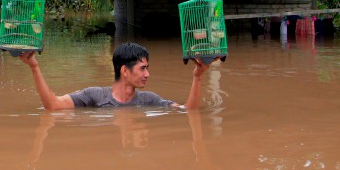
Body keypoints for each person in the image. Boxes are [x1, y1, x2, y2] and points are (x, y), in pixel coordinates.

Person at [17, 41, 209, 111]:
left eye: (147, 68)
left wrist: (198, 77)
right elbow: (52, 105)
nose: (147, 74)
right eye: (142, 68)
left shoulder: (149, 100)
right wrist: (34, 67)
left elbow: (188, 110)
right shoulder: (95, 96)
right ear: (124, 71)